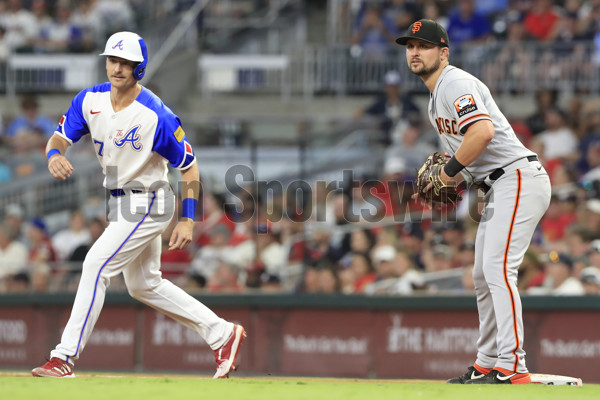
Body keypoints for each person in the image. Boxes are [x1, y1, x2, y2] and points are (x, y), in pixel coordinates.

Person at [31, 32, 245, 379]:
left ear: (139, 68)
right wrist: (55, 153)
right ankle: (222, 333)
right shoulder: (89, 100)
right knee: (144, 285)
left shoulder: (156, 114)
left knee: (95, 265)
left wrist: (188, 219)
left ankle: (65, 357)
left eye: (126, 63)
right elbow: (59, 137)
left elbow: (189, 168)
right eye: (113, 60)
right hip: (120, 202)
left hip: (150, 199)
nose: (117, 68)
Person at [396, 19, 551, 384]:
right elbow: (472, 156)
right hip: (498, 182)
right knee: (482, 274)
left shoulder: (456, 82)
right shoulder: (436, 98)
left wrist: (447, 173)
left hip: (518, 177)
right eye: (410, 46)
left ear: (443, 52)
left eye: (424, 45)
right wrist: (453, 176)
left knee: (498, 270)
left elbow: (482, 132)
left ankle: (513, 365)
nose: (415, 52)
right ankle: (487, 361)